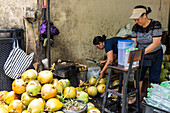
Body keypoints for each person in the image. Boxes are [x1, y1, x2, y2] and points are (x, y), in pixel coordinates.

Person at [129, 5, 163, 104]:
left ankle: (152, 100)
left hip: (155, 54)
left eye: (138, 19)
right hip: (141, 55)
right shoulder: (136, 27)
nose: (136, 22)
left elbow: (156, 43)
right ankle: (137, 98)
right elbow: (134, 42)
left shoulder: (155, 25)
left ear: (144, 15)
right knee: (138, 77)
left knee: (154, 78)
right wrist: (130, 51)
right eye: (135, 20)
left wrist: (142, 52)